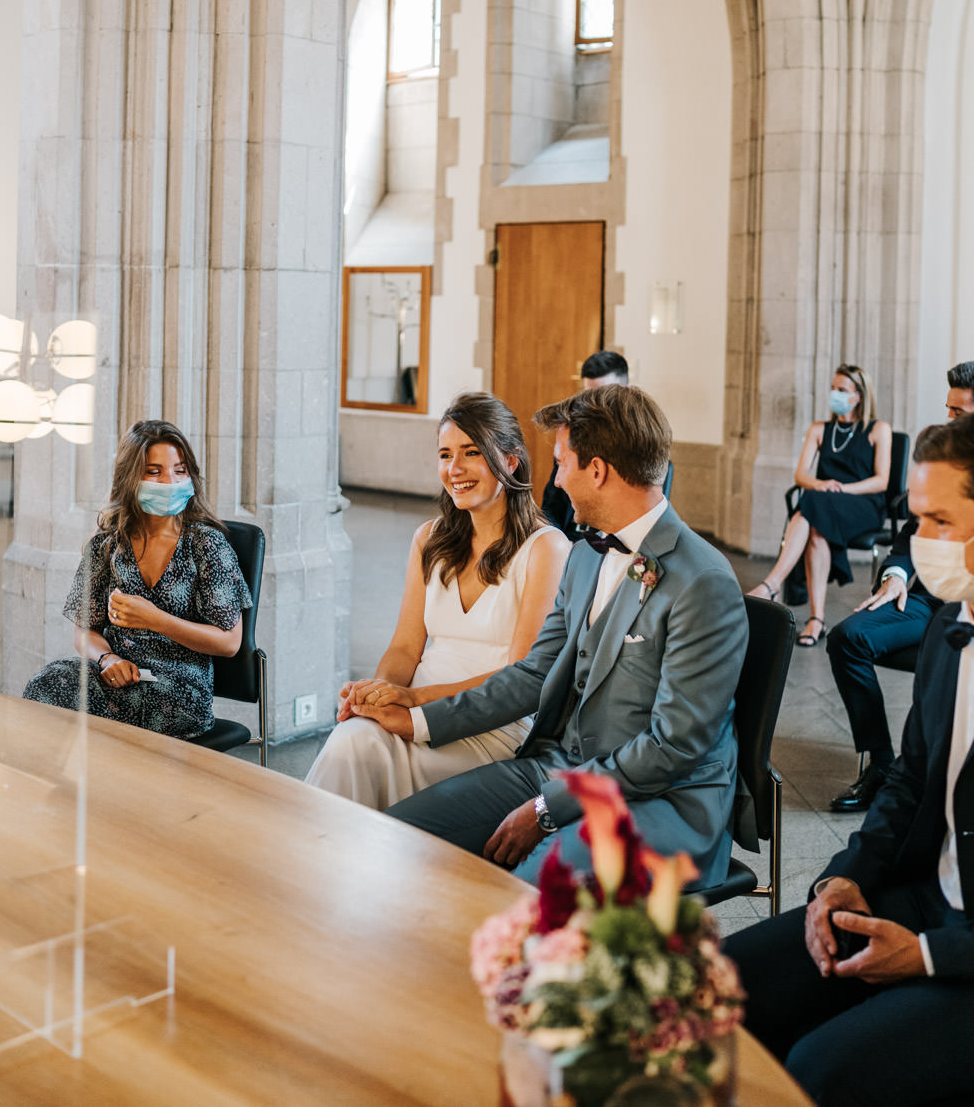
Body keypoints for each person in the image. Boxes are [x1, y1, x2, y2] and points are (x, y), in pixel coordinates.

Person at [349, 384, 747, 886]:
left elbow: (671, 747)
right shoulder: (585, 556)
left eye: (562, 463)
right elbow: (532, 674)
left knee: (530, 891)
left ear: (596, 471)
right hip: (557, 767)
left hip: (661, 804)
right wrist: (419, 719)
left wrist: (545, 809)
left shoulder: (701, 580)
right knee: (397, 838)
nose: (555, 481)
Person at [725, 414, 974, 1107]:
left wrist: (927, 956)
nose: (918, 543)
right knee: (722, 986)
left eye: (939, 523)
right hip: (926, 897)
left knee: (821, 1069)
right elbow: (910, 778)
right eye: (916, 521)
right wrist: (845, 877)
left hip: (972, 951)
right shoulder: (953, 626)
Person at [305, 393, 569, 808]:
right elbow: (405, 646)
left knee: (362, 752)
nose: (454, 469)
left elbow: (519, 676)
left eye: (471, 453)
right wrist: (380, 693)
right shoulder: (429, 538)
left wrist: (414, 703)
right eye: (445, 454)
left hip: (492, 725)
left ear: (511, 461)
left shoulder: (546, 548)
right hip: (416, 704)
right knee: (351, 740)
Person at [23, 419, 249, 737]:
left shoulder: (206, 544)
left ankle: (108, 781)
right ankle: (65, 784)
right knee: (48, 682)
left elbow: (229, 643)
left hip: (177, 690)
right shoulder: (107, 545)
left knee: (102, 728)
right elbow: (84, 632)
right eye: (154, 471)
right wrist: (107, 659)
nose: (169, 481)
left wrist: (156, 620)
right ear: (130, 478)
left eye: (180, 470)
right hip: (117, 678)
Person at [827, 360, 974, 812]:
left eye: (959, 413)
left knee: (946, 651)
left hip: (970, 607)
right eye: (947, 410)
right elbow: (908, 535)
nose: (948, 420)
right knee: (847, 638)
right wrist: (895, 574)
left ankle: (936, 775)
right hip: (926, 595)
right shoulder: (941, 463)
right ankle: (880, 763)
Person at [751, 364, 892, 647]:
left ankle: (772, 585)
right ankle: (816, 618)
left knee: (810, 506)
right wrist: (822, 485)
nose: (834, 394)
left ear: (859, 396)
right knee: (816, 527)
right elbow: (801, 475)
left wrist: (843, 489)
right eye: (832, 389)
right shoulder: (819, 429)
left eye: (842, 390)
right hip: (826, 504)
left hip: (863, 505)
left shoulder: (878, 429)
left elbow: (881, 481)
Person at [541, 351, 629, 539]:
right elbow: (552, 504)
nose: (593, 405)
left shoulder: (632, 447)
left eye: (603, 395)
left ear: (625, 391)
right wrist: (551, 539)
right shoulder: (568, 442)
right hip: (568, 537)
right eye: (588, 395)